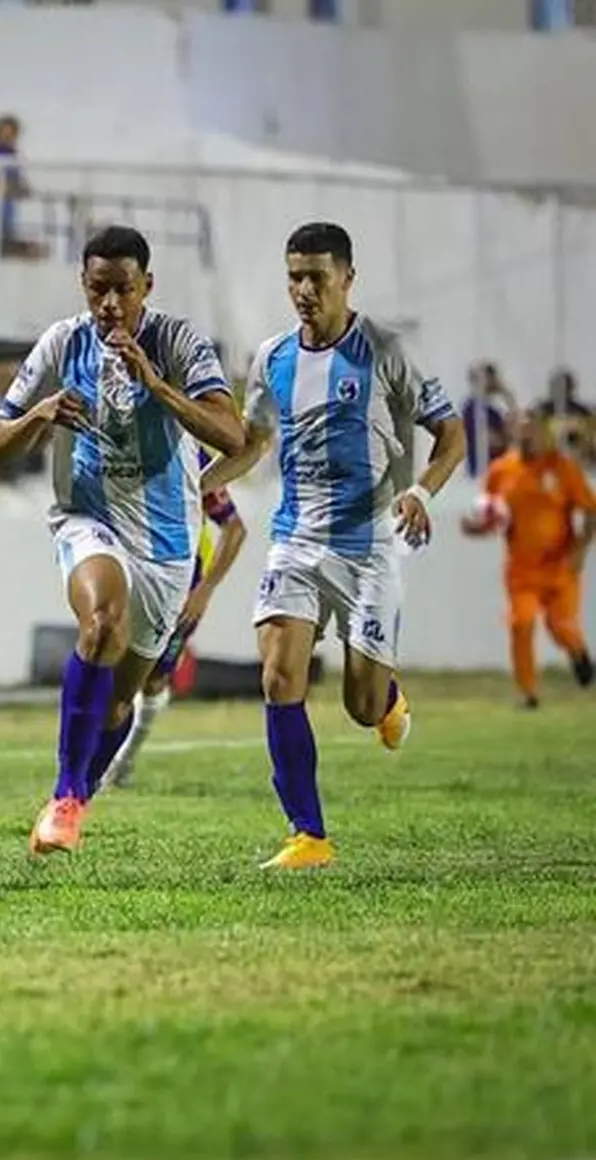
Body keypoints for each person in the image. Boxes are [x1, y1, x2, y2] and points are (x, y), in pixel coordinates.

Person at [201, 221, 466, 870]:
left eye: (317, 277)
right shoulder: (272, 358)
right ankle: (308, 835)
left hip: (370, 545)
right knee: (277, 674)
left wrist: (421, 492)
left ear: (348, 278)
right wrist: (198, 482)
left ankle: (387, 697)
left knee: (361, 706)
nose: (304, 289)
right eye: (294, 277)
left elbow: (452, 434)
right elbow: (257, 442)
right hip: (296, 539)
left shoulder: (385, 351)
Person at [0, 224, 245, 857]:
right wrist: (39, 415)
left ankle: (79, 794)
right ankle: (65, 796)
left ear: (146, 287)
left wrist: (156, 385)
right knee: (102, 623)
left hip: (167, 543)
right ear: (83, 282)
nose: (109, 304)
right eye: (97, 288)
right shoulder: (62, 343)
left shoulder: (179, 342)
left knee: (117, 706)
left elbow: (231, 435)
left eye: (123, 290)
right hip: (87, 517)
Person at [102, 461, 248, 788]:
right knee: (113, 668)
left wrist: (204, 590)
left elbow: (234, 528)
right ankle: (93, 759)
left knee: (153, 679)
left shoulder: (192, 459)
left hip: (179, 587)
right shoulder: (115, 446)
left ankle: (123, 760)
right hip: (127, 573)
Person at [461, 408, 594, 708]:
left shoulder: (563, 468)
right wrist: (475, 527)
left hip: (560, 566)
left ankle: (578, 653)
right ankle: (527, 693)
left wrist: (580, 550)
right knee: (521, 623)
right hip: (521, 568)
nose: (526, 435)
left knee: (561, 627)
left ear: (544, 432)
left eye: (531, 428)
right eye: (520, 429)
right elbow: (491, 517)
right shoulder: (501, 471)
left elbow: (590, 511)